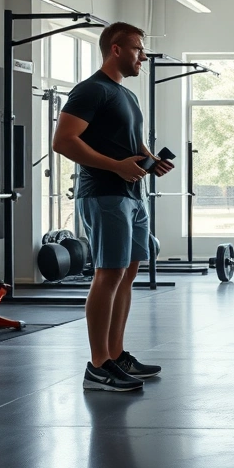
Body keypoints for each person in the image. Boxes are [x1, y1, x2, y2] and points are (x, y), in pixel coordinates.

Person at [52, 22, 174, 392]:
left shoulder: (128, 96)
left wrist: (151, 160)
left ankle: (116, 354)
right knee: (108, 274)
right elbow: (63, 141)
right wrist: (116, 166)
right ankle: (98, 364)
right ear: (116, 49)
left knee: (128, 273)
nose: (144, 56)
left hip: (132, 194)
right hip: (104, 192)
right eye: (138, 49)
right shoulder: (91, 90)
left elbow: (130, 144)